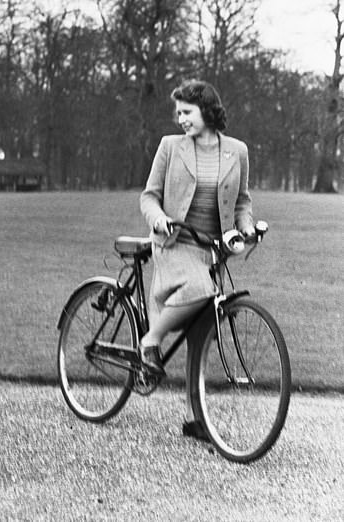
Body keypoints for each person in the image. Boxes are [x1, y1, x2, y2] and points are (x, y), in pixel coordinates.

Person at [139, 80, 254, 440]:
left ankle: (195, 417)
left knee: (202, 334)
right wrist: (158, 218)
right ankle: (150, 340)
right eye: (179, 113)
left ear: (207, 110)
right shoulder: (170, 147)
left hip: (212, 250)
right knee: (201, 289)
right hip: (174, 243)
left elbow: (242, 202)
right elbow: (149, 197)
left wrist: (247, 227)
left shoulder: (237, 150)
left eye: (187, 112)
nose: (181, 119)